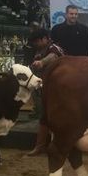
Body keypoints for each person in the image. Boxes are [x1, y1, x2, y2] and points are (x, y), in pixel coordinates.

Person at [26, 28, 64, 156]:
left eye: (37, 41)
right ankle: (40, 146)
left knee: (57, 118)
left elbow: (52, 57)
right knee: (44, 117)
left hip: (59, 88)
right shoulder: (38, 50)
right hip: (44, 87)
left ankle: (57, 146)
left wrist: (42, 62)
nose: (35, 44)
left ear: (44, 39)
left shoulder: (54, 48)